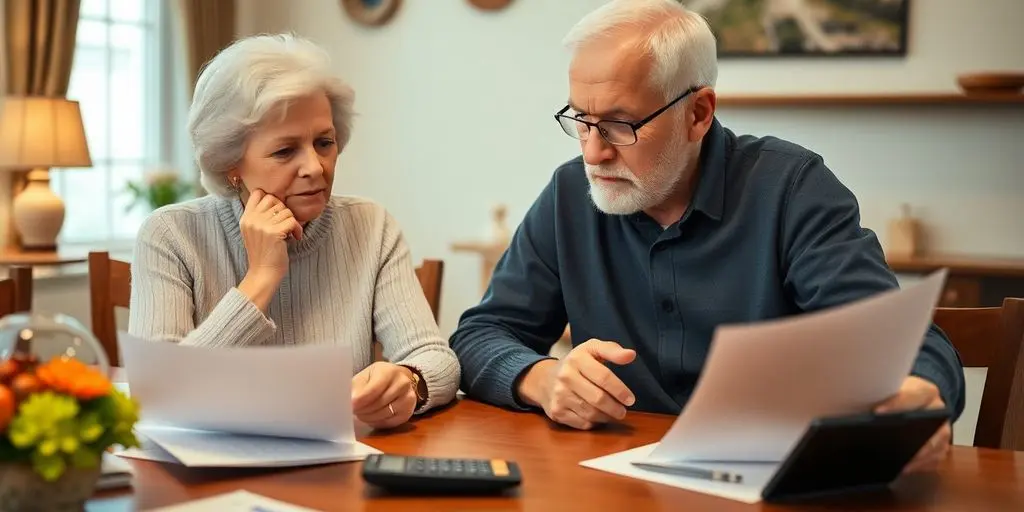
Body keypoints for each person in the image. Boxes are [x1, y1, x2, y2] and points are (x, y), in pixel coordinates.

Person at [449, 0, 964, 473]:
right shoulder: (568, 195)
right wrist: (540, 378)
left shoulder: (792, 189)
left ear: (698, 113)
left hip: (774, 480)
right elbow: (479, 335)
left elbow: (900, 341)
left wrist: (919, 392)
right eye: (581, 121)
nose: (593, 153)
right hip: (615, 482)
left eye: (620, 125)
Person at [127, 34, 460, 429]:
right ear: (230, 163)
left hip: (337, 471)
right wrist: (261, 278)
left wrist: (409, 382)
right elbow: (154, 395)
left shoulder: (371, 226)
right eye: (285, 151)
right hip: (212, 475)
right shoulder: (170, 235)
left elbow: (437, 359)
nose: (316, 168)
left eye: (324, 142)